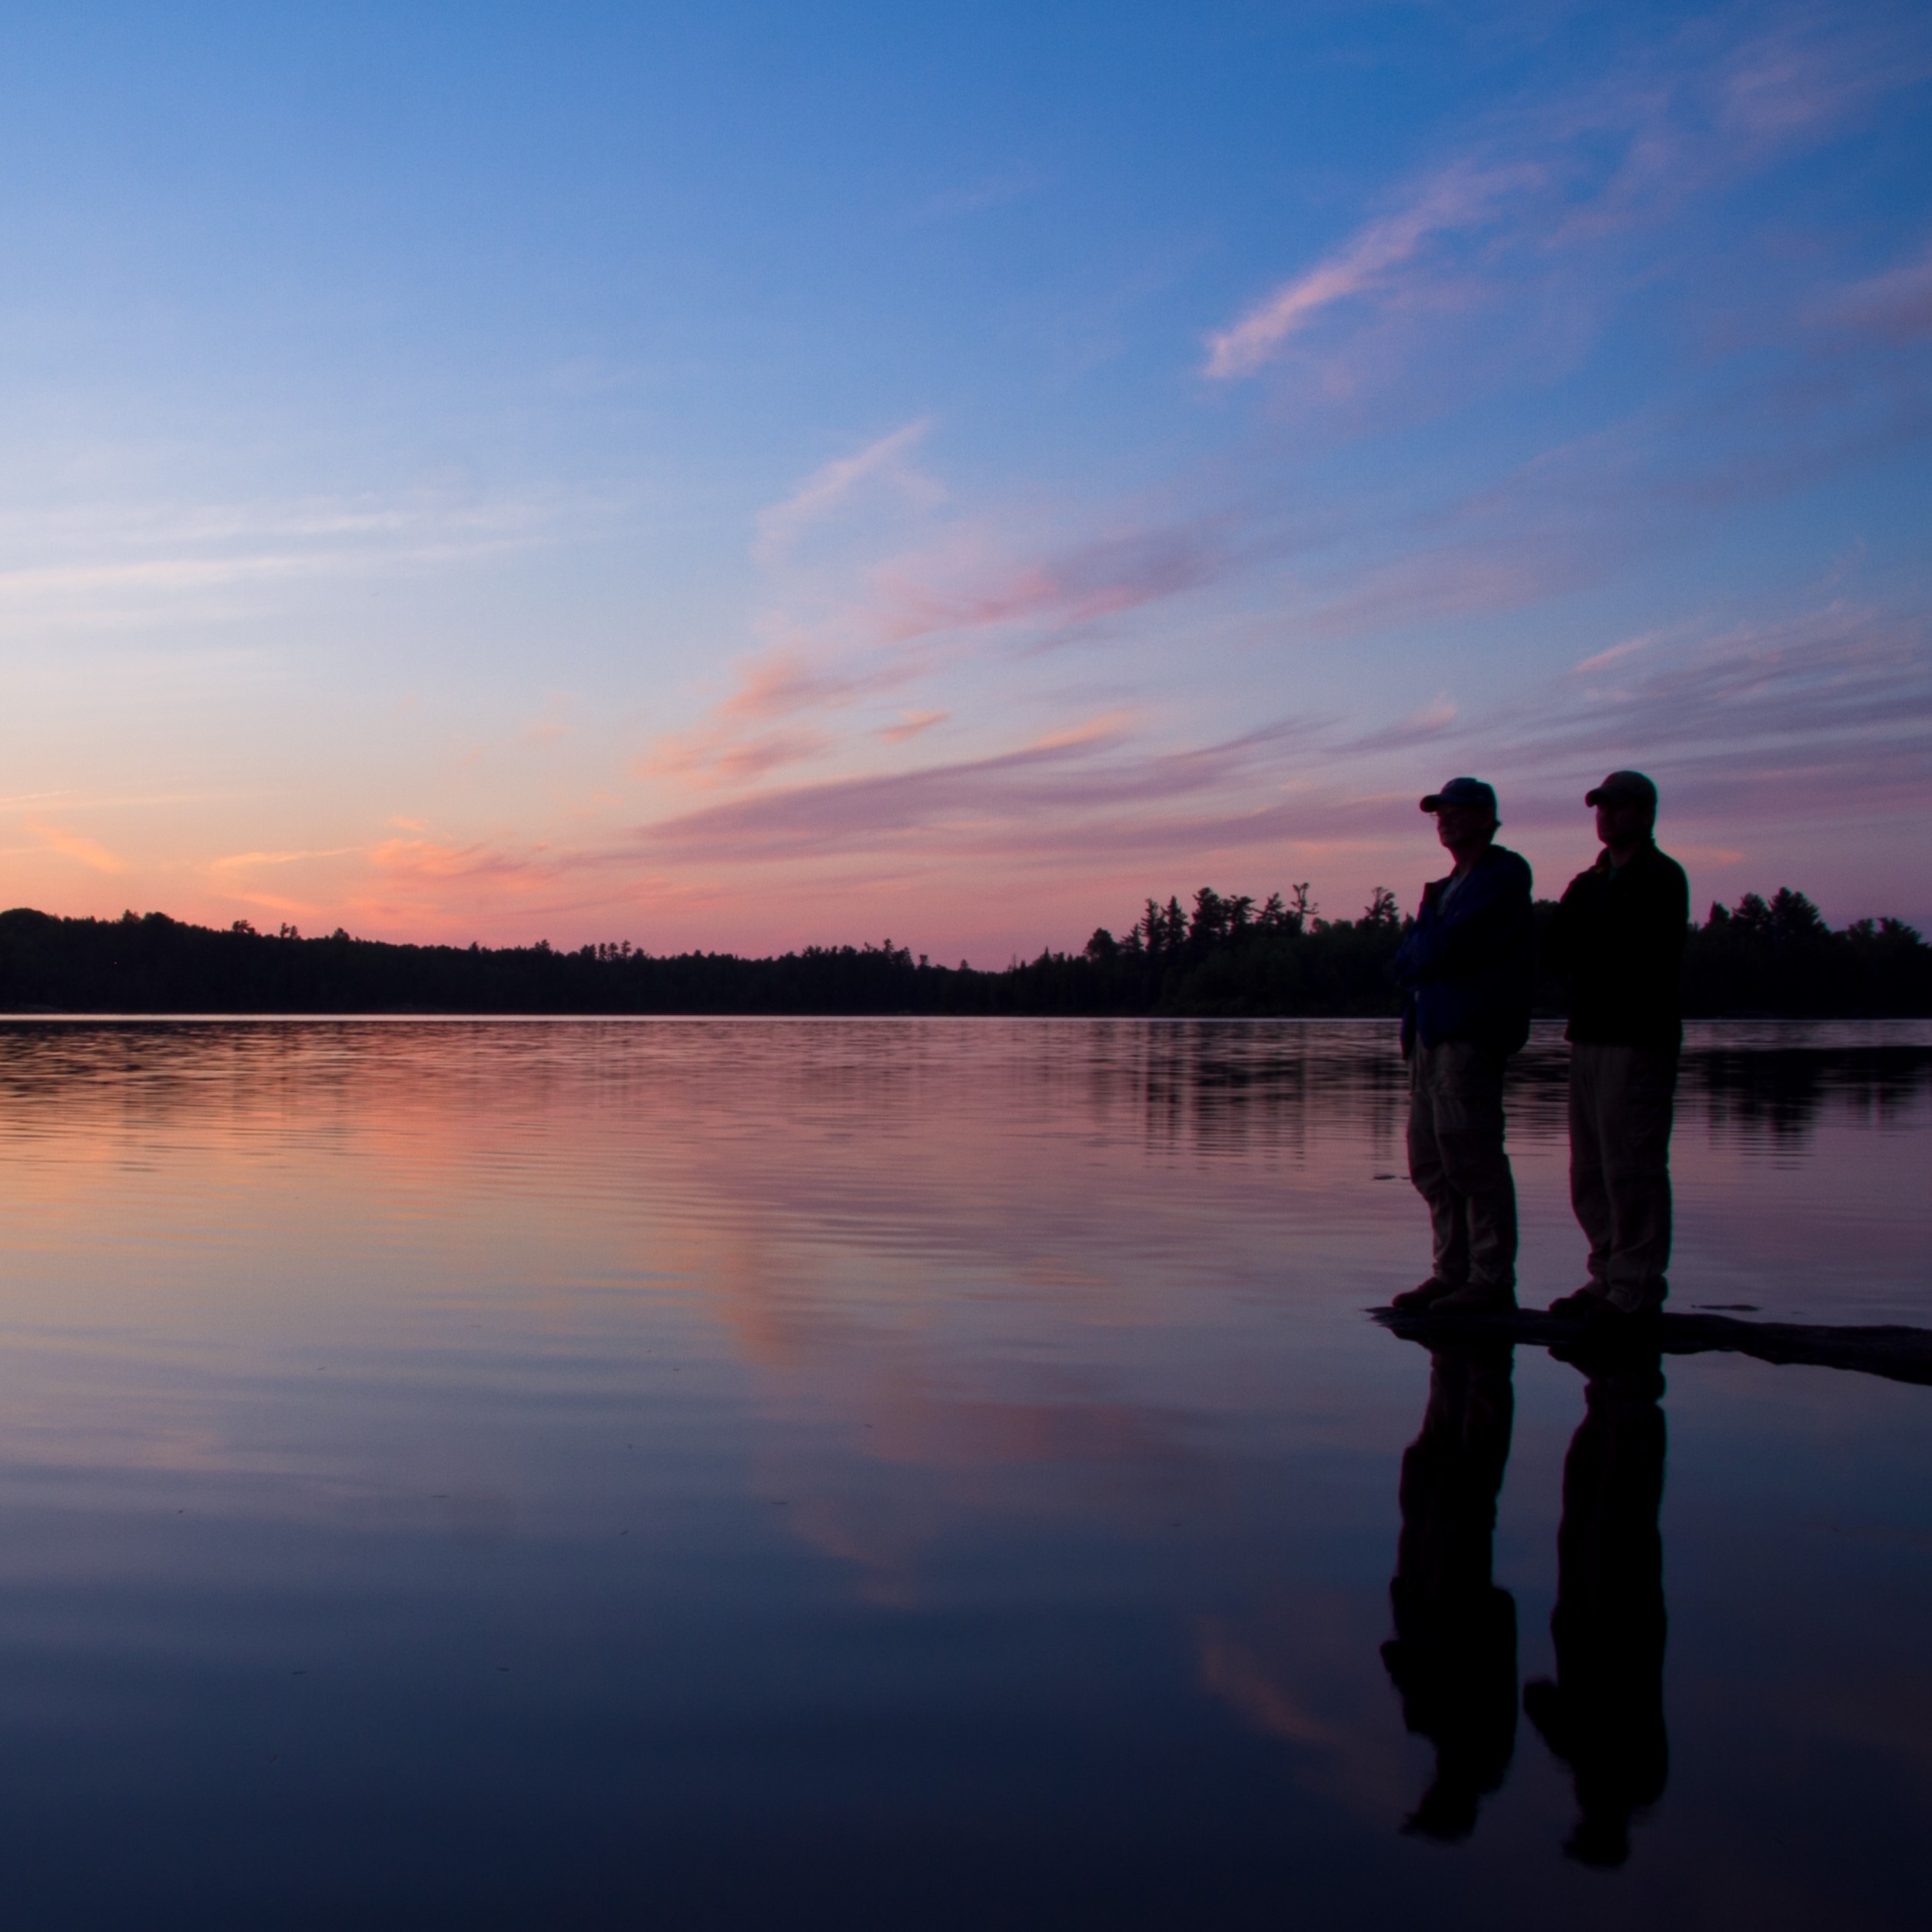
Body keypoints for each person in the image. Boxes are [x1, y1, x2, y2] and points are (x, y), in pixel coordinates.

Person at [1542, 772, 1690, 1321]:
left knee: (1634, 1166)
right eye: (1600, 807)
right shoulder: (1591, 880)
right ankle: (1605, 1275)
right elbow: (1556, 948)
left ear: (1644, 814)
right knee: (1591, 1167)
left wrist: (1592, 937)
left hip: (1639, 1039)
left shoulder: (1661, 876)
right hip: (1589, 1036)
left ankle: (1637, 1285)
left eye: (1616, 807)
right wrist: (1592, 935)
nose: (1604, 816)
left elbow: (1637, 949)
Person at [1390, 778, 1535, 1315]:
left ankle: (1490, 1280)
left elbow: (1454, 945)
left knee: (1472, 1158)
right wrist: (1427, 953)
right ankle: (1450, 1273)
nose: (1444, 819)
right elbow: (1406, 962)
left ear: (1484, 817)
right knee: (1430, 1162)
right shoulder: (1442, 888)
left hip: (1470, 1036)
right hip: (1428, 1037)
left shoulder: (1503, 876)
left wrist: (1427, 952)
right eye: (1439, 813)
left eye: (1455, 811)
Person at [1522, 1342, 1669, 1867]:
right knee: (1610, 1512)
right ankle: (1619, 1399)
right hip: (1608, 1624)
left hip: (1603, 1623)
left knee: (1609, 1513)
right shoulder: (1615, 1770)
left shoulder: (1605, 1766)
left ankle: (1619, 1399)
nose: (1581, 1810)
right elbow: (1537, 1699)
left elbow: (1537, 1698)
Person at [1381, 1339, 1519, 1841]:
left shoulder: (1449, 1729)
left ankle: (1478, 1371)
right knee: (1439, 1476)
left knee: (1449, 1480)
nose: (1426, 1789)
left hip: (1439, 1596)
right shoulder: (1455, 1732)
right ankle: (1473, 1370)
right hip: (1439, 1594)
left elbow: (1402, 1656)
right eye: (1431, 1800)